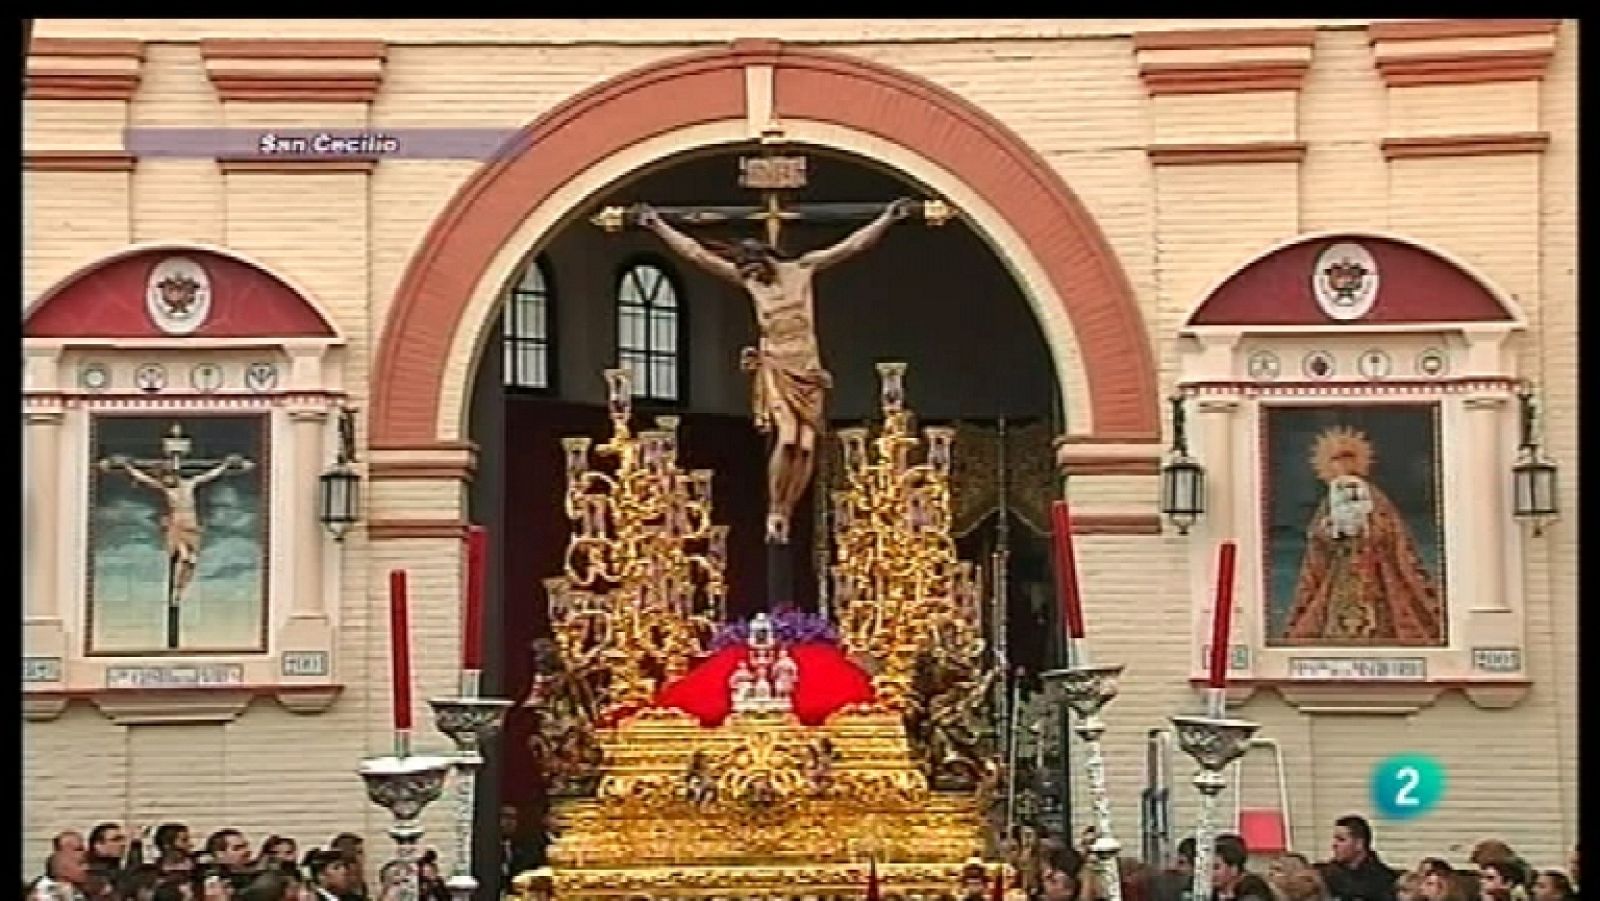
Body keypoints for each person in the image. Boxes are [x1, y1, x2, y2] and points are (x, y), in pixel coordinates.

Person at [636, 197, 916, 544]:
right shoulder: (752, 283)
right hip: (776, 367)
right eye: (746, 273)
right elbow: (697, 255)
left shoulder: (802, 269)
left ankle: (789, 506)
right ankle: (775, 507)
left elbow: (851, 246)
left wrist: (886, 219)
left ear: (766, 258)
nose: (751, 278)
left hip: (808, 370)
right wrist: (658, 226)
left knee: (808, 445)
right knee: (787, 439)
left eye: (754, 270)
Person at [1279, 427, 1444, 645]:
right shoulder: (1330, 500)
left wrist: (1368, 529)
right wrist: (1331, 530)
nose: (1343, 465)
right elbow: (1317, 535)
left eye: (1348, 458)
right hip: (1341, 566)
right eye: (1337, 459)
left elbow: (1391, 530)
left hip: (1373, 565)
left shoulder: (1373, 497)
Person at [99, 450, 254, 607]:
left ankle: (179, 591)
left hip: (191, 527)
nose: (167, 481)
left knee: (192, 562)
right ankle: (176, 591)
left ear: (174, 475)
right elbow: (144, 479)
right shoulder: (166, 489)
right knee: (185, 558)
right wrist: (127, 467)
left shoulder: (189, 484)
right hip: (176, 527)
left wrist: (225, 465)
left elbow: (210, 475)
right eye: (164, 478)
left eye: (168, 477)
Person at [1318, 815, 1398, 901]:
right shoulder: (1324, 876)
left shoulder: (1384, 880)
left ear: (1359, 844)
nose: (1334, 844)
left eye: (1341, 839)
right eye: (1335, 839)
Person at [1212, 835, 1272, 901]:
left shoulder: (1253, 891)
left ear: (1234, 870)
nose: (1210, 872)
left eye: (1216, 867)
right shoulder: (1216, 889)